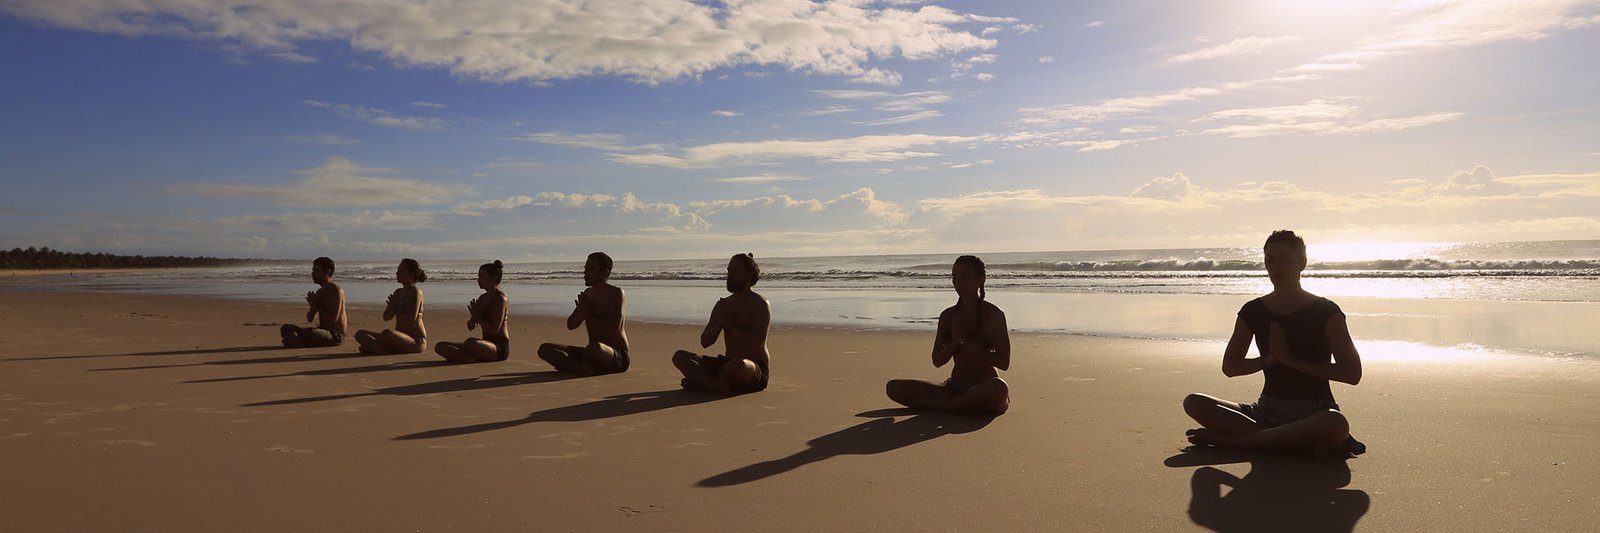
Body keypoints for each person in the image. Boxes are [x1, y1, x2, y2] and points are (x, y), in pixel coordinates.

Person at [1182, 230, 1365, 458]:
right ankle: (1289, 443)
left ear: (1302, 263)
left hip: (1314, 413)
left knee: (1335, 423)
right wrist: (1267, 360)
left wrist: (1291, 361)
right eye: (1270, 259)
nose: (1276, 267)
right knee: (1194, 402)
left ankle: (1239, 442)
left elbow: (1352, 373)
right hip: (1265, 411)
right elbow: (1230, 366)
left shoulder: (1326, 311)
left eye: (1285, 259)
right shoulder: (1253, 311)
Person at [885, 255, 1011, 415]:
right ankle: (957, 404)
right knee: (894, 387)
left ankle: (945, 407)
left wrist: (965, 343)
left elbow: (1004, 362)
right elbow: (937, 360)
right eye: (955, 277)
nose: (958, 282)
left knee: (999, 388)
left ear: (980, 280)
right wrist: (955, 343)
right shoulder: (948, 316)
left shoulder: (994, 315)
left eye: (964, 277)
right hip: (953, 388)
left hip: (984, 388)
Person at [673, 253, 771, 395]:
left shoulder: (760, 304)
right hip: (726, 363)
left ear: (749, 275)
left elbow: (757, 343)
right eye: (729, 271)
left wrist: (729, 324)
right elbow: (705, 342)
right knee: (680, 357)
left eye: (736, 271)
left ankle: (704, 382)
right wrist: (718, 324)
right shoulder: (723, 305)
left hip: (752, 368)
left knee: (738, 365)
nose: (730, 276)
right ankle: (714, 384)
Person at [537, 252, 631, 374]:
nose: (585, 273)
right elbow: (571, 325)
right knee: (545, 349)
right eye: (585, 269)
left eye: (591, 269)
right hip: (589, 352)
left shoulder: (616, 294)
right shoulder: (588, 294)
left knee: (595, 348)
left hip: (614, 354)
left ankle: (578, 367)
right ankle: (583, 368)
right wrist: (581, 311)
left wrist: (587, 312)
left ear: (605, 272)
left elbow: (613, 329)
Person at [435, 260, 510, 363]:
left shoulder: (500, 299)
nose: (478, 279)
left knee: (471, 343)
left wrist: (477, 316)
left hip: (498, 348)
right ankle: (468, 358)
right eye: (478, 276)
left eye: (482, 276)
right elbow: (471, 327)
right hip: (484, 342)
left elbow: (494, 330)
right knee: (440, 346)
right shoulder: (482, 298)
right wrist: (473, 319)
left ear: (494, 278)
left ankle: (467, 356)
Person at [355, 258, 428, 355]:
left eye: (401, 271)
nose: (397, 273)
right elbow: (386, 317)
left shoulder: (415, 292)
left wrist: (396, 307)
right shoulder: (398, 292)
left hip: (415, 341)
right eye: (397, 270)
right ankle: (384, 350)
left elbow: (411, 319)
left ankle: (380, 350)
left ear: (411, 273)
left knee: (387, 333)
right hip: (398, 337)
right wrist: (392, 306)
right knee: (360, 334)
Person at [280, 256, 347, 347]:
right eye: (313, 270)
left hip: (335, 335)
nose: (313, 274)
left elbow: (333, 319)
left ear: (327, 271)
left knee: (311, 332)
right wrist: (313, 306)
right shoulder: (319, 292)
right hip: (321, 330)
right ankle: (298, 341)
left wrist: (316, 305)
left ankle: (298, 341)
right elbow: (310, 318)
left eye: (316, 270)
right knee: (286, 328)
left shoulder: (336, 291)